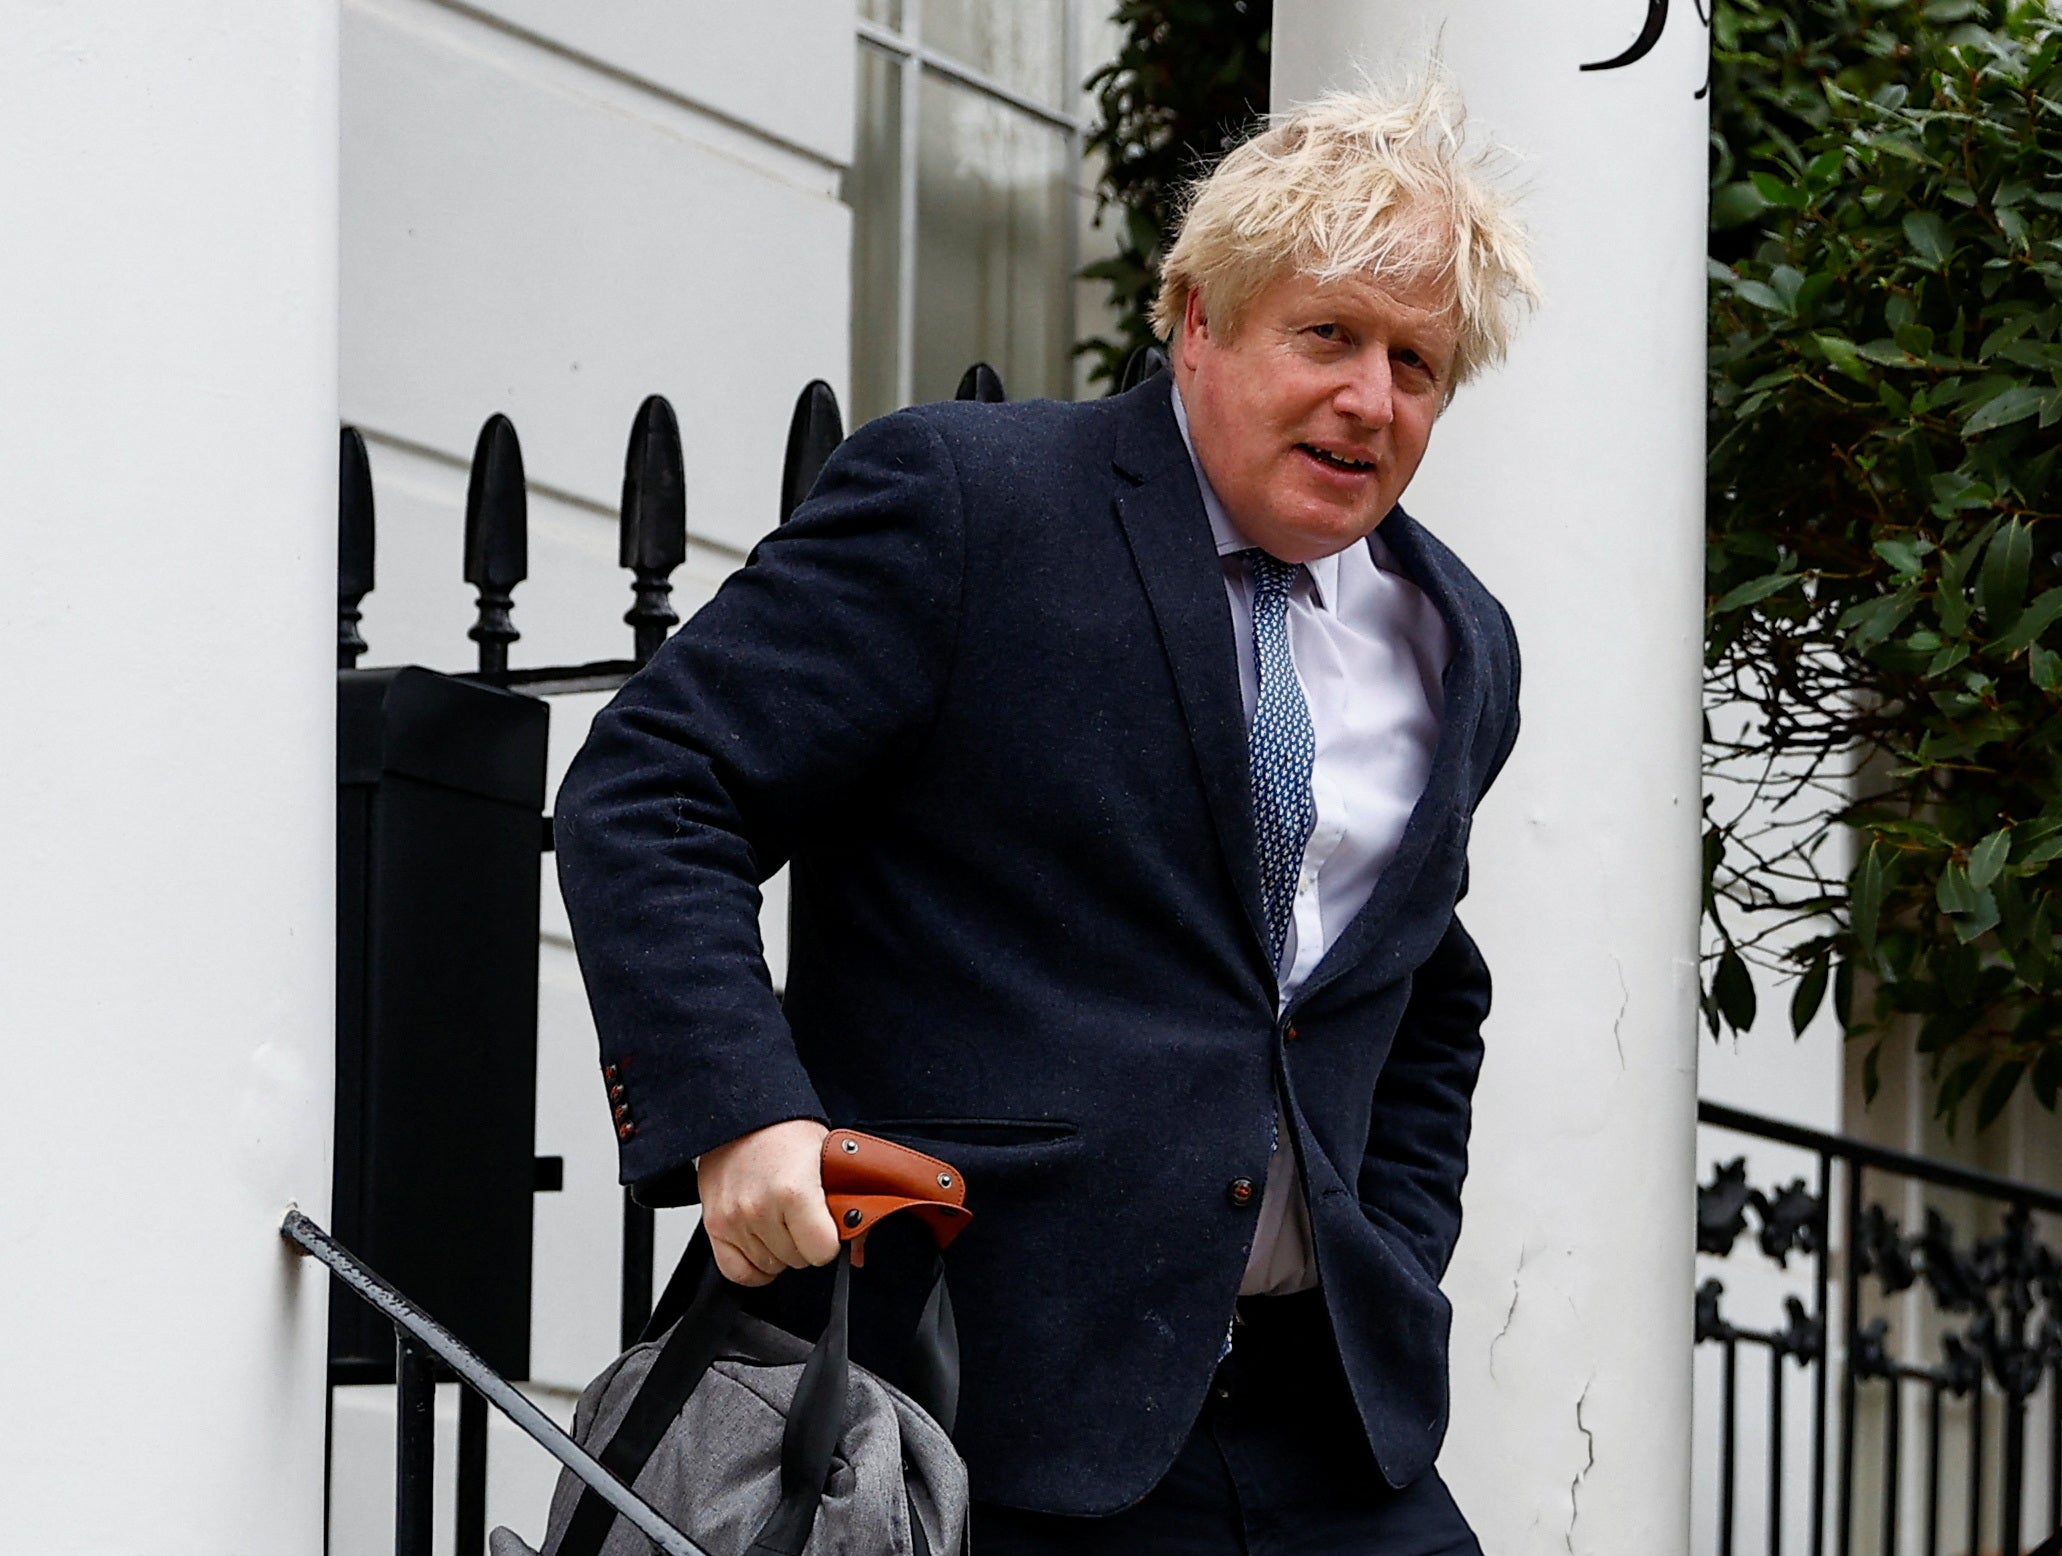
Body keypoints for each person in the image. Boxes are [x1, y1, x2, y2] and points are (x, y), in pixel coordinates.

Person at [554, 75, 1537, 1555]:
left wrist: (1391, 1248)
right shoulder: (969, 502)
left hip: (1324, 1427)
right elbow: (652, 785)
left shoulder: (1458, 638)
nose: (1369, 399)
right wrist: (741, 1114)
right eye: (1325, 335)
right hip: (966, 1400)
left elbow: (1418, 987)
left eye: (1416, 363)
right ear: (1197, 319)